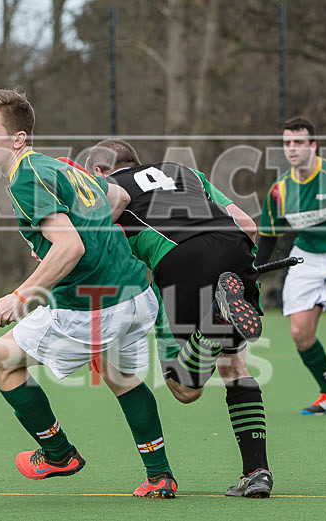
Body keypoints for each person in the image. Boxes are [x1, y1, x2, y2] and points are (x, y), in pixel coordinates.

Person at [0, 89, 176, 498]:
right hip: (136, 294)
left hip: (93, 304)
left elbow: (70, 247)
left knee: (1, 360)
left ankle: (57, 454)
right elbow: (117, 196)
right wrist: (82, 235)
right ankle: (160, 475)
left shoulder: (26, 177)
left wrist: (22, 294)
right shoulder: (61, 166)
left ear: (18, 139)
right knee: (120, 376)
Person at [85, 139, 273, 499]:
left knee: (185, 389)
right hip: (233, 247)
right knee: (235, 366)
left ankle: (211, 326)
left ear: (98, 172)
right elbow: (248, 225)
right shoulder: (187, 173)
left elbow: (100, 253)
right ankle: (257, 472)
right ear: (134, 161)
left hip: (178, 258)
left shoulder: (107, 189)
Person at [255, 116, 326, 416]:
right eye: (287, 143)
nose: (292, 149)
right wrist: (251, 273)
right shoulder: (280, 190)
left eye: (298, 143)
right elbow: (268, 238)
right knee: (300, 333)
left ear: (313, 145)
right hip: (305, 257)